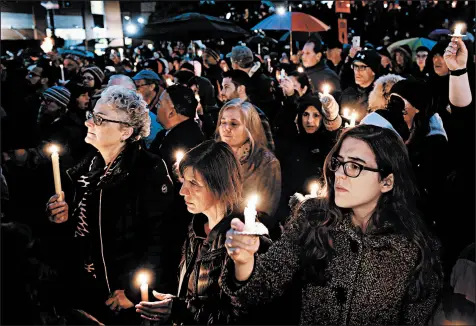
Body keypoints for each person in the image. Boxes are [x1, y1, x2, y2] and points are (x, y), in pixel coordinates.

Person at [224, 124, 442, 325]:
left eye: (355, 166)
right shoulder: (313, 218)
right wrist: (243, 261)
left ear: (387, 181)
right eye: (338, 163)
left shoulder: (415, 248)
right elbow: (258, 291)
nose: (339, 174)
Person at [45, 85, 176, 324]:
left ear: (125, 131)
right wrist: (63, 218)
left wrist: (132, 292)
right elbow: (83, 231)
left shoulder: (148, 170)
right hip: (86, 290)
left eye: (99, 119)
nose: (89, 123)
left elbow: (162, 239)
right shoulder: (88, 166)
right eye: (91, 116)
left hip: (121, 299)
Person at [135, 140, 271, 325]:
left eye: (194, 183)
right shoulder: (196, 227)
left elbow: (240, 315)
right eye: (183, 181)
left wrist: (179, 311)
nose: (183, 191)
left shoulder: (245, 238)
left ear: (220, 185)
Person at [276, 95, 343, 223]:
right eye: (306, 114)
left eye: (316, 115)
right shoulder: (292, 144)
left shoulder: (328, 145)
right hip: (290, 213)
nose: (309, 121)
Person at [215, 99, 281, 231]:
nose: (226, 128)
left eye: (234, 124)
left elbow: (266, 212)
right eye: (223, 122)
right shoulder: (213, 156)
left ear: (250, 128)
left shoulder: (266, 163)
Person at [149, 84, 205, 184]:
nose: (156, 107)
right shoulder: (164, 134)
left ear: (171, 112)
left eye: (160, 104)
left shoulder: (188, 142)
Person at [220, 69, 275, 151]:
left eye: (226, 87)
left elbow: (267, 150)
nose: (222, 92)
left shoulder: (256, 115)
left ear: (241, 89)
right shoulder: (225, 113)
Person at [227, 46, 281, 121]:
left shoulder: (261, 81)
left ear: (235, 64)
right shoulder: (259, 77)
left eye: (231, 61)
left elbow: (266, 109)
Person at [341, 49, 381, 120]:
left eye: (362, 67)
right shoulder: (347, 92)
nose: (357, 71)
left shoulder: (379, 98)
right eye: (355, 66)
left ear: (373, 71)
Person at [301, 35, 341, 100]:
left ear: (318, 56)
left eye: (308, 53)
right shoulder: (302, 74)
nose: (303, 56)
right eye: (303, 53)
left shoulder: (329, 76)